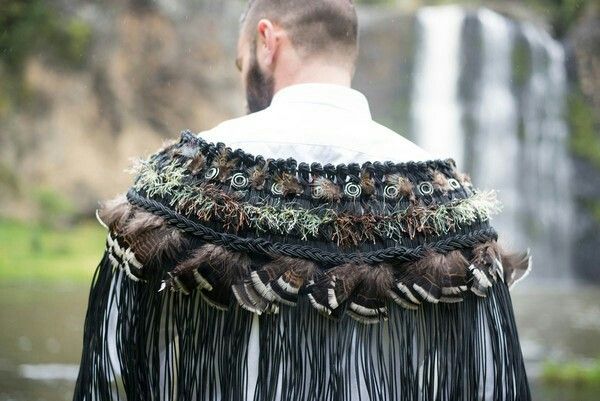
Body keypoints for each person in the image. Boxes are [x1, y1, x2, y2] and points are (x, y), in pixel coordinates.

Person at [73, 1, 532, 400]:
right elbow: (490, 380)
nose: (244, 78)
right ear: (348, 51)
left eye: (242, 64)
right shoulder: (452, 206)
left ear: (266, 40)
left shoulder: (176, 185)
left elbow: (117, 368)